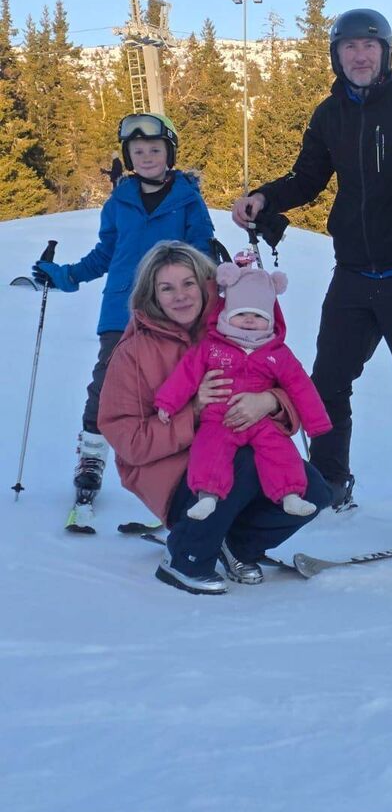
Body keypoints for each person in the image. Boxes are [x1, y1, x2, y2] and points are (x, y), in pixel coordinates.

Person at [231, 8, 392, 535]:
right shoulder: (329, 115)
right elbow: (307, 179)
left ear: (386, 52)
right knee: (327, 383)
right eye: (349, 47)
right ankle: (330, 479)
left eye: (370, 46)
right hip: (352, 273)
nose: (360, 55)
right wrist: (263, 197)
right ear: (337, 55)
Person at [98, 242, 332, 594]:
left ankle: (235, 546)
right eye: (167, 288)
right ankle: (186, 557)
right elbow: (129, 443)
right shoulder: (133, 353)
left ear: (206, 285)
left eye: (188, 283)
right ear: (153, 294)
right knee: (244, 461)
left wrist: (269, 401)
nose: (180, 296)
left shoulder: (236, 328)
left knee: (313, 490)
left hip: (241, 449)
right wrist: (193, 412)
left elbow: (288, 384)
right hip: (173, 476)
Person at [31, 113, 215, 522]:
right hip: (122, 309)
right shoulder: (118, 202)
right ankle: (91, 460)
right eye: (138, 151)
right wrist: (67, 275)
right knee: (107, 386)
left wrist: (220, 285)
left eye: (154, 149)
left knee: (177, 388)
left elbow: (201, 251)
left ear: (169, 154)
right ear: (128, 157)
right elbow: (106, 253)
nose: (147, 157)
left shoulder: (188, 199)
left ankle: (180, 474)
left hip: (175, 309)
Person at [155, 261, 331, 520]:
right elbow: (186, 375)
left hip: (262, 421)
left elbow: (300, 386)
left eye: (259, 316)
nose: (249, 320)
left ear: (271, 320)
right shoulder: (212, 347)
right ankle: (207, 496)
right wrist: (167, 402)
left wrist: (316, 423)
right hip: (219, 417)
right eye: (241, 313)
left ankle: (289, 494)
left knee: (280, 451)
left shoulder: (277, 354)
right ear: (226, 314)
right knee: (209, 449)